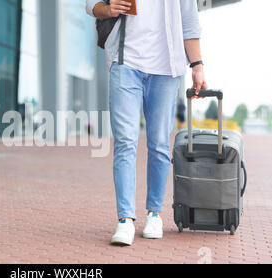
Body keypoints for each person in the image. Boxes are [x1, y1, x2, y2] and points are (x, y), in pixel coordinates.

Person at [86, 0, 207, 246]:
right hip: (125, 61)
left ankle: (154, 214)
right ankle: (125, 219)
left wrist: (197, 66)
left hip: (167, 67)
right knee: (125, 142)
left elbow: (189, 23)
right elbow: (91, 4)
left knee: (160, 144)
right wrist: (106, 9)